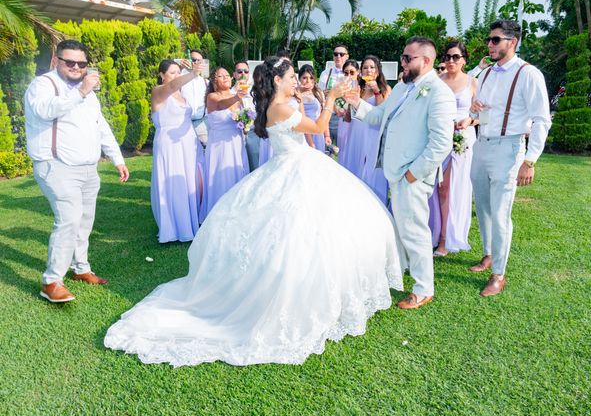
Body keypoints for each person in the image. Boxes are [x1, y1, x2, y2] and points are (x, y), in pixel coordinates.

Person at [104, 56, 403, 367]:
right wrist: (329, 98)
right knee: (292, 233)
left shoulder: (282, 102)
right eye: (289, 77)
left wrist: (303, 97)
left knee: (317, 231)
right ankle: (291, 295)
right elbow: (318, 127)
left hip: (301, 164)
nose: (293, 82)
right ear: (277, 80)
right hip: (294, 168)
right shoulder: (278, 107)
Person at [345, 36, 456, 310]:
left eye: (408, 58)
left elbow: (441, 142)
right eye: (403, 58)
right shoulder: (401, 89)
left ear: (426, 61)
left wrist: (413, 174)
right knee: (403, 227)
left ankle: (423, 288)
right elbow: (378, 116)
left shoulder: (439, 93)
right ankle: (405, 269)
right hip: (394, 171)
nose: (403, 63)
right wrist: (355, 102)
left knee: (415, 230)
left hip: (413, 174)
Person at [24, 39, 130, 303]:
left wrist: (117, 158)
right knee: (69, 219)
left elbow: (100, 126)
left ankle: (80, 268)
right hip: (56, 165)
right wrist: (81, 91)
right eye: (69, 62)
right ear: (56, 61)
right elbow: (45, 111)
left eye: (81, 63)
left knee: (84, 220)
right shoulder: (42, 85)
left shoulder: (87, 92)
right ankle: (51, 281)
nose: (76, 67)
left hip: (87, 168)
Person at [468, 20, 551, 297]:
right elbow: (478, 111)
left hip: (509, 148)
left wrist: (530, 160)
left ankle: (498, 275)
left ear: (512, 42)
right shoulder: (487, 74)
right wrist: (475, 109)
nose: (489, 45)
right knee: (483, 206)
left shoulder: (529, 74)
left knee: (501, 213)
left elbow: (541, 119)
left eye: (495, 40)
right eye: (489, 40)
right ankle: (488, 254)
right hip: (482, 144)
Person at [429, 41, 478, 257]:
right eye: (448, 56)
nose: (450, 61)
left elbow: (482, 115)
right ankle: (434, 231)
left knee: (449, 188)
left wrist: (469, 120)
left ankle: (445, 240)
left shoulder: (473, 83)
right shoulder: (436, 81)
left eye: (455, 57)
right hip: (439, 137)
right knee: (436, 188)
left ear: (464, 60)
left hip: (461, 139)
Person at [150, 59, 205, 243]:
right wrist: (191, 74)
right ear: (161, 75)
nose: (175, 76)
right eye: (172, 72)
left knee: (189, 182)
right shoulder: (158, 92)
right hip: (169, 145)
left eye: (177, 71)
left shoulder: (182, 94)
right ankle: (173, 228)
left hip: (188, 143)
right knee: (173, 184)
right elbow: (172, 85)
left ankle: (190, 222)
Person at [200, 67, 249, 220]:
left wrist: (246, 123)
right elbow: (222, 104)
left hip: (237, 143)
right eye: (221, 76)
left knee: (238, 175)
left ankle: (238, 213)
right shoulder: (212, 97)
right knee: (222, 178)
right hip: (220, 146)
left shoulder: (237, 97)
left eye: (227, 75)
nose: (226, 78)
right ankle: (219, 216)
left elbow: (243, 118)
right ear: (214, 82)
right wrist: (238, 96)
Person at [358, 55, 391, 204]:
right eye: (365, 67)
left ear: (377, 71)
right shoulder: (359, 89)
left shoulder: (386, 88)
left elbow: (383, 112)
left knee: (375, 170)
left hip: (377, 133)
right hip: (361, 131)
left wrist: (377, 90)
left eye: (372, 67)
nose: (368, 70)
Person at [231, 60, 260, 171]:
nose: (243, 74)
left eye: (246, 71)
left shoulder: (255, 91)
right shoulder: (229, 93)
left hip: (254, 134)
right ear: (234, 74)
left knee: (255, 166)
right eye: (239, 71)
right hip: (235, 136)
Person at [319, 44, 349, 144]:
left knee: (343, 148)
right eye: (336, 54)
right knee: (327, 149)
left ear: (347, 56)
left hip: (343, 115)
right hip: (328, 114)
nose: (338, 57)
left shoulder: (351, 74)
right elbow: (319, 94)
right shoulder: (325, 73)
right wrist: (324, 93)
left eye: (341, 54)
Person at [298, 64, 330, 152]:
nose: (308, 81)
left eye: (311, 78)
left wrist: (327, 135)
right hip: (301, 132)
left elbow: (324, 115)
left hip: (317, 131)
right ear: (299, 79)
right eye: (304, 78)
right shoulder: (295, 94)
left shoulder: (318, 92)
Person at [181, 50, 208, 146]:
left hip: (201, 123)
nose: (196, 62)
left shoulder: (205, 81)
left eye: (199, 61)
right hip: (183, 123)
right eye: (193, 59)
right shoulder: (180, 78)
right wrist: (180, 67)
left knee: (205, 150)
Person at [336, 59, 360, 172]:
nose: (349, 75)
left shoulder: (361, 88)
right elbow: (336, 107)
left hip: (358, 125)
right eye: (346, 73)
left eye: (352, 72)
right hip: (344, 124)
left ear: (358, 73)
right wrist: (339, 110)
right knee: (344, 151)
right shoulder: (339, 88)